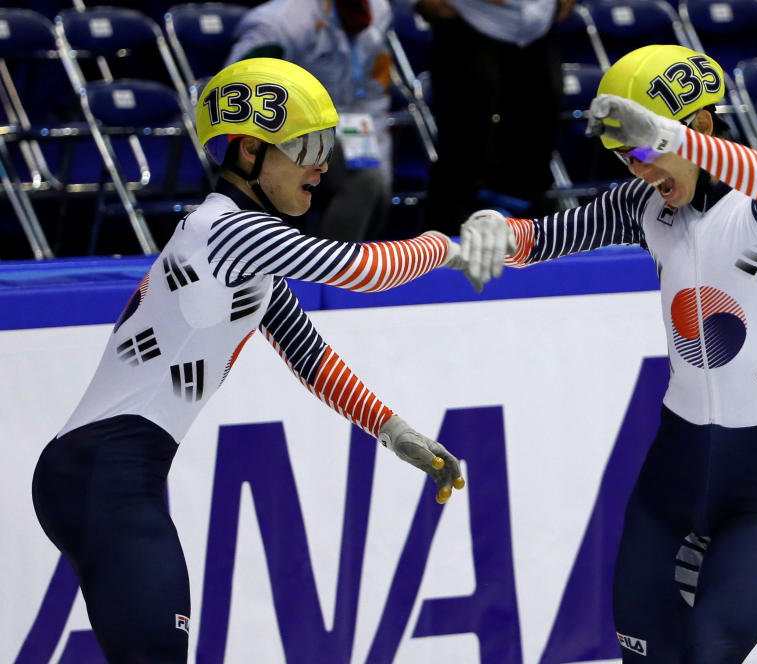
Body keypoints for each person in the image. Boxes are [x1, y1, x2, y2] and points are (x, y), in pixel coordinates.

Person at [31, 58, 465, 663]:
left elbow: (311, 359)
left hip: (106, 473)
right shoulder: (226, 232)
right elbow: (363, 270)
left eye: (328, 145)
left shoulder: (246, 250)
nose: (323, 163)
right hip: (106, 475)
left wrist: (393, 432)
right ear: (248, 152)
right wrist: (447, 244)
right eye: (306, 145)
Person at [456, 45, 757, 664]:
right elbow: (542, 239)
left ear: (702, 127)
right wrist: (493, 230)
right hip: (673, 476)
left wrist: (666, 135)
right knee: (645, 653)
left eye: (647, 149)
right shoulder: (646, 206)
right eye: (625, 155)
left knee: (709, 650)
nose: (638, 168)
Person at [227, 0, 393, 241]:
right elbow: (235, 97)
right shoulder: (279, 23)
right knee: (363, 179)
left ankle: (341, 269)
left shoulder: (378, 12)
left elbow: (375, 94)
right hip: (278, 135)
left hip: (344, 135)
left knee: (375, 184)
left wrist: (380, 163)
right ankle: (333, 270)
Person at [410, 0, 573, 235]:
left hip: (538, 23)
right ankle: (449, 246)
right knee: (463, 149)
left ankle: (531, 240)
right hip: (471, 17)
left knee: (536, 146)